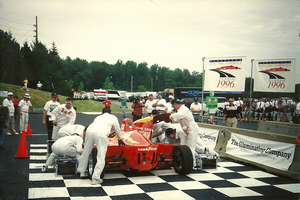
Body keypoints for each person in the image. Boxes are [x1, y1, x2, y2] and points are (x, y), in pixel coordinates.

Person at [77, 107, 125, 185]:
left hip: (89, 131)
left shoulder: (98, 117)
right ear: (110, 113)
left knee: (86, 151)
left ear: (102, 113)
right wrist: (120, 139)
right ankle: (96, 178)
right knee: (101, 156)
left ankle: (82, 171)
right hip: (101, 133)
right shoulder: (113, 117)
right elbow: (117, 129)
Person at [169, 99, 199, 168]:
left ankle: (192, 164)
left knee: (190, 148)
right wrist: (170, 119)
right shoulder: (180, 111)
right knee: (191, 147)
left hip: (192, 129)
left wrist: (170, 116)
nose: (174, 108)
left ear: (176, 104)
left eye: (174, 106)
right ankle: (193, 161)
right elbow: (176, 120)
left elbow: (176, 116)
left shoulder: (184, 110)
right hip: (189, 130)